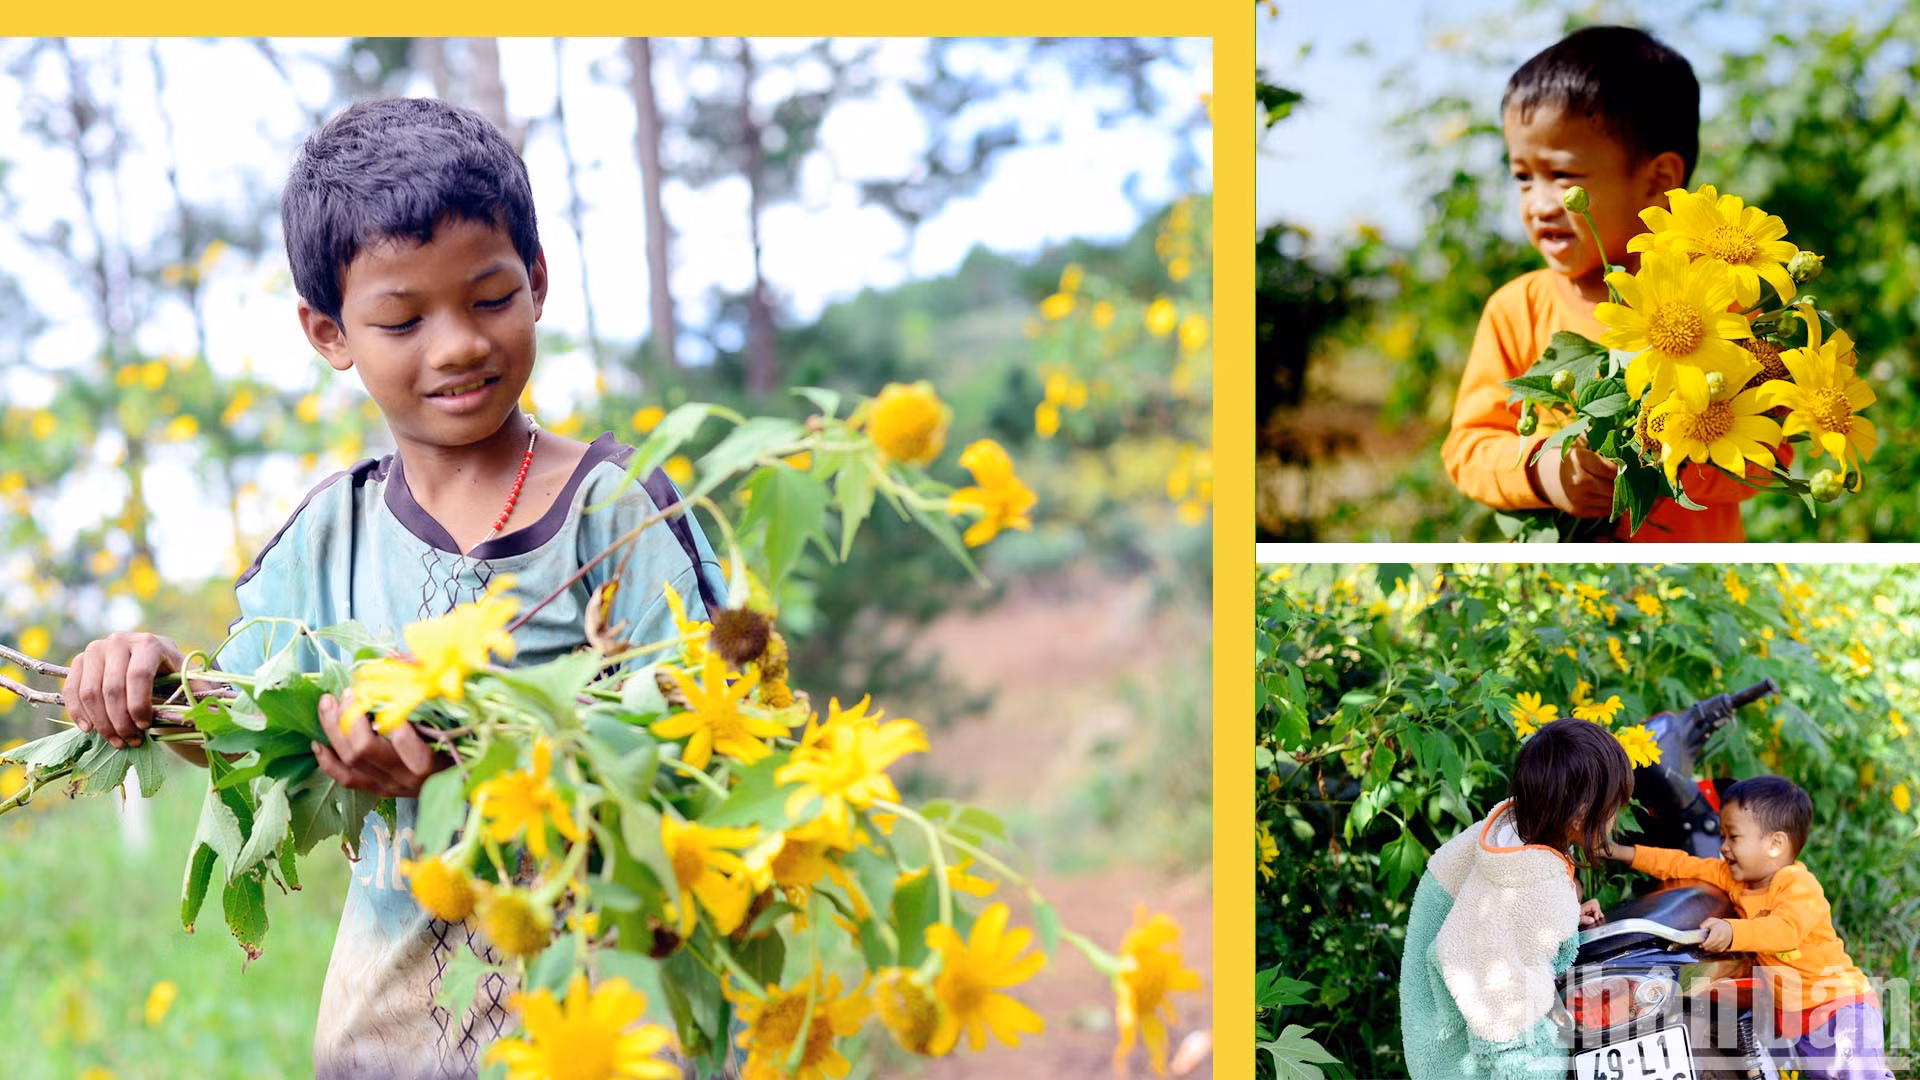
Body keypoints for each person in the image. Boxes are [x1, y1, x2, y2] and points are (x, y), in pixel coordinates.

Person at [60, 97, 724, 1080]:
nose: (457, 345)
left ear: (538, 281)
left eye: (490, 299)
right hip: (392, 1039)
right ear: (330, 333)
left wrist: (466, 770)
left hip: (610, 1029)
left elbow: (718, 748)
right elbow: (246, 733)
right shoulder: (324, 541)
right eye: (404, 319)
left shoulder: (619, 514)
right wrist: (153, 686)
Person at [1442, 25, 1772, 541]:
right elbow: (1468, 447)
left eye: (1563, 176)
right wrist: (1543, 470)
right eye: (1523, 176)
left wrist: (1668, 459)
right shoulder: (1516, 309)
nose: (1538, 204)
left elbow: (1770, 454)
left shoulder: (1722, 301)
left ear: (1659, 180)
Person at [1599, 776, 1894, 1079]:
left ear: (1775, 845)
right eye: (1722, 836)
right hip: (1801, 1019)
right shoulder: (1734, 878)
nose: (1723, 847)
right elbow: (1680, 864)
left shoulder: (1797, 885)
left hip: (1839, 1007)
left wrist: (1732, 932)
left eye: (1733, 837)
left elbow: (1785, 931)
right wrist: (1620, 852)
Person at [1400, 718, 1632, 1077]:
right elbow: (1501, 1017)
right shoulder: (1528, 885)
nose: (1615, 818)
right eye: (1613, 807)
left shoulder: (1512, 835)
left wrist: (1562, 922)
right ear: (1581, 813)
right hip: (1470, 1063)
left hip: (1434, 1026)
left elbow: (1504, 924)